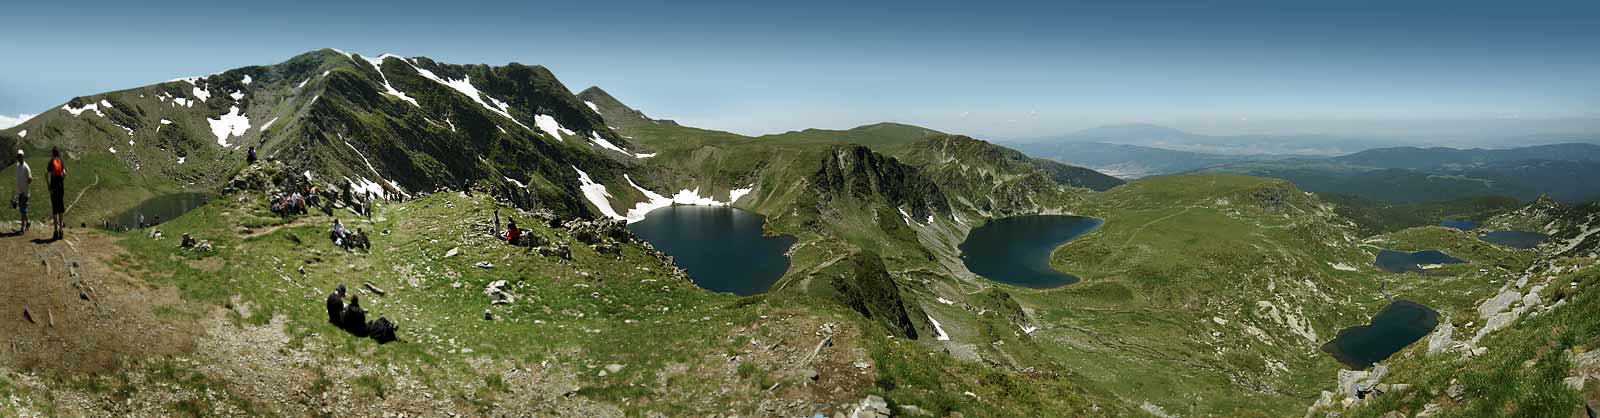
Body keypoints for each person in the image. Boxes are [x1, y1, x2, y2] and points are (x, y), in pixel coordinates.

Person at [47, 148, 65, 240]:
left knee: (55, 209)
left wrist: (48, 186)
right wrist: (62, 181)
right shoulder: (61, 160)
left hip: (53, 188)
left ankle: (55, 231)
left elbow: (46, 173)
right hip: (60, 187)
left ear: (52, 153)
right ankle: (61, 230)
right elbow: (65, 173)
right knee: (61, 209)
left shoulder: (51, 161)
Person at [13, 150, 30, 233]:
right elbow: (18, 178)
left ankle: (22, 228)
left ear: (22, 156)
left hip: (25, 192)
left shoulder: (26, 167)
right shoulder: (17, 165)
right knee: (23, 210)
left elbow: (30, 179)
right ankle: (28, 222)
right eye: (18, 156)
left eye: (20, 156)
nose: (18, 157)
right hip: (19, 191)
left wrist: (29, 180)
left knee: (23, 210)